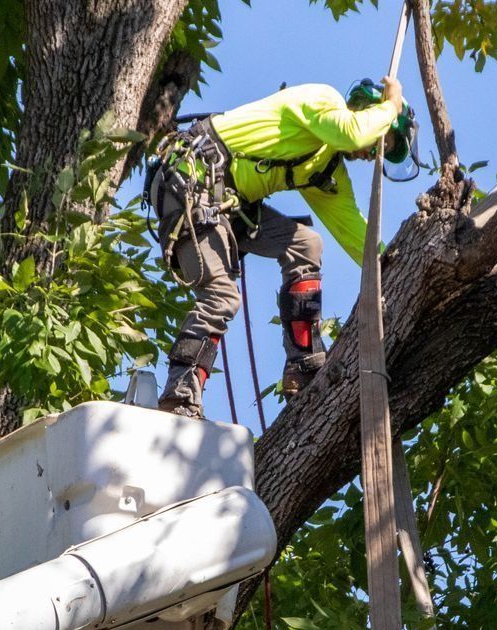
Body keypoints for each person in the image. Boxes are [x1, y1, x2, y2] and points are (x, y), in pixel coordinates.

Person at [144, 76, 416, 419]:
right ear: (367, 111)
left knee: (307, 244)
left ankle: (302, 363)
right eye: (383, 140)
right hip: (192, 181)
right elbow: (352, 132)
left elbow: (359, 239)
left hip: (227, 204)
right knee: (221, 296)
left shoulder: (325, 169)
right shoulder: (322, 101)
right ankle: (179, 396)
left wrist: (396, 264)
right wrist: (391, 106)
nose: (370, 154)